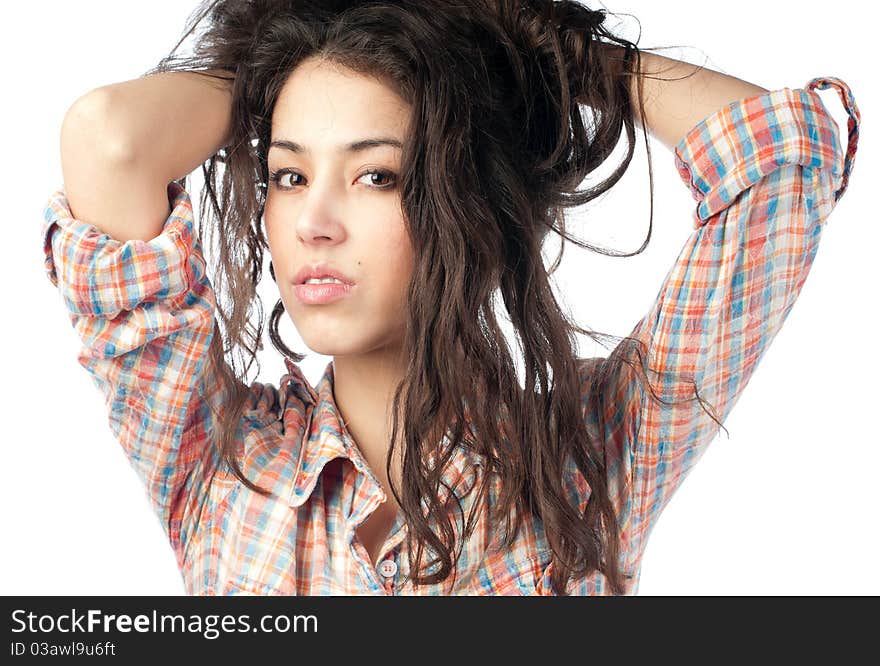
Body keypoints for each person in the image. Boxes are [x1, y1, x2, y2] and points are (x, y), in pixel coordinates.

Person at [41, 0, 860, 595]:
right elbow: (110, 139)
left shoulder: (594, 457)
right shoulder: (215, 457)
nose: (314, 223)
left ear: (466, 203)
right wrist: (276, 46)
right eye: (289, 174)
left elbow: (782, 153)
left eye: (377, 175)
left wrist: (545, 50)